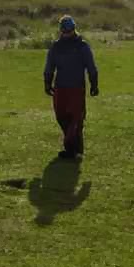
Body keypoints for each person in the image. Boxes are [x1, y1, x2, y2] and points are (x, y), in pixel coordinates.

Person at [44, 15, 99, 159]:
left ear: (74, 29)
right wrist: (47, 83)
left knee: (76, 119)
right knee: (61, 117)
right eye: (65, 31)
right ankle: (73, 149)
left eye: (69, 30)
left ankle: (74, 150)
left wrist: (94, 84)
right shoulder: (56, 47)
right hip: (60, 88)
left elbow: (91, 67)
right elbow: (49, 67)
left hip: (76, 88)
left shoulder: (82, 46)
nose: (67, 33)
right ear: (61, 30)